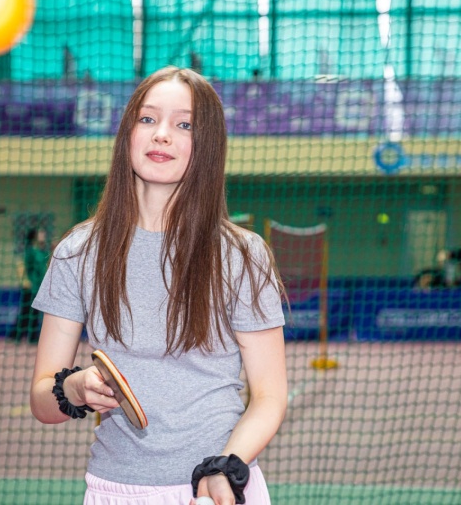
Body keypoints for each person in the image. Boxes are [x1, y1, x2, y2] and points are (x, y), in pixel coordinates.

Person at [30, 66, 288, 505]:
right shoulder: (76, 252)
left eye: (184, 125)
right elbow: (42, 401)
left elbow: (269, 396)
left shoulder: (243, 255)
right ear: (127, 135)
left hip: (215, 488)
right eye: (147, 119)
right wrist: (73, 388)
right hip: (114, 490)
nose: (162, 134)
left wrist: (225, 467)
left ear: (208, 145)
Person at [16, 227, 49, 342]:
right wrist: (25, 281)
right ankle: (17, 335)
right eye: (40, 233)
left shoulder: (43, 251)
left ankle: (32, 336)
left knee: (35, 312)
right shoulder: (30, 251)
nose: (43, 235)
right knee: (26, 311)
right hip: (30, 286)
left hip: (40, 286)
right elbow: (23, 266)